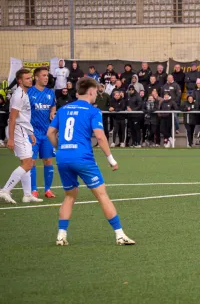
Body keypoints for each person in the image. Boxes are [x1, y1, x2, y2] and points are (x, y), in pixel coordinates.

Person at [46, 77, 135, 245]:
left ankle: (61, 235)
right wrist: (110, 159)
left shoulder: (63, 109)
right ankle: (120, 235)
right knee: (102, 194)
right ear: (91, 91)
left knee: (69, 196)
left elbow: (50, 133)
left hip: (63, 157)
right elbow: (100, 137)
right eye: (96, 91)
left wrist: (60, 148)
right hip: (83, 157)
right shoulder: (93, 111)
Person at [0, 69, 44, 204]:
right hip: (18, 131)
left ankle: (27, 194)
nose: (30, 80)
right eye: (27, 78)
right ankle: (5, 191)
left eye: (31, 78)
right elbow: (12, 118)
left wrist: (30, 133)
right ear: (20, 81)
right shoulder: (19, 95)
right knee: (28, 163)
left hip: (23, 130)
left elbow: (23, 117)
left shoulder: (24, 94)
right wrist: (11, 139)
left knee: (27, 162)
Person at [28, 67, 57, 198]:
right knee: (31, 162)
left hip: (47, 133)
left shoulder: (50, 92)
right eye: (44, 75)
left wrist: (52, 111)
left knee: (48, 160)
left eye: (47, 75)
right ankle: (34, 189)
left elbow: (53, 105)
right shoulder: (29, 92)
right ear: (36, 77)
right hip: (32, 133)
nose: (46, 78)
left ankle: (48, 189)